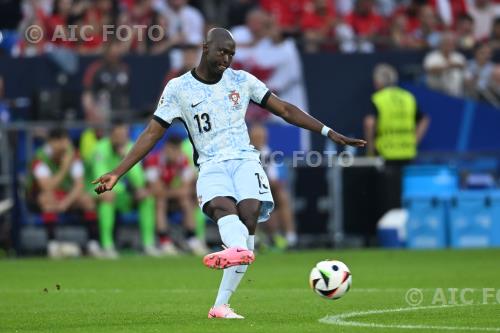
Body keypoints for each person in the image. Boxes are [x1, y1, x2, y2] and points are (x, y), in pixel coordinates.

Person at [92, 28, 365, 318]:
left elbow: (284, 109)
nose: (227, 58)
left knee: (248, 216)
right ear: (205, 47)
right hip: (210, 164)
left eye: (232, 54)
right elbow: (152, 133)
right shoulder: (178, 88)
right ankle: (233, 257)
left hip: (244, 159)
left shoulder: (242, 80)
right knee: (223, 210)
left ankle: (221, 303)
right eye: (222, 51)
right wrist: (118, 172)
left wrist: (328, 131)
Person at [364, 63, 430, 211]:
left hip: (387, 155)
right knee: (407, 197)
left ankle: (391, 232)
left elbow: (369, 124)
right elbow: (424, 119)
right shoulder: (408, 97)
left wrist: (370, 149)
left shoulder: (378, 98)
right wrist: (414, 140)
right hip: (407, 153)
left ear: (378, 82)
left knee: (389, 200)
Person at [27, 128, 100, 258]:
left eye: (66, 141)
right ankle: (52, 245)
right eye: (61, 141)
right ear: (51, 143)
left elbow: (79, 185)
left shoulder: (73, 155)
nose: (65, 145)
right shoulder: (40, 158)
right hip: (39, 196)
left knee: (87, 200)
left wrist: (65, 203)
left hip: (66, 195)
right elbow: (47, 186)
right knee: (47, 199)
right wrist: (64, 167)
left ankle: (93, 244)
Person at [91, 121, 156, 258]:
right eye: (118, 135)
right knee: (107, 199)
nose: (121, 139)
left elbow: (138, 180)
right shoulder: (100, 149)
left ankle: (148, 244)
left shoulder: (131, 148)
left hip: (125, 194)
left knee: (146, 197)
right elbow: (102, 179)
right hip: (102, 192)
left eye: (124, 135)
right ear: (111, 136)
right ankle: (107, 246)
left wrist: (124, 157)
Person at [144, 132, 208, 255]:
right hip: (156, 199)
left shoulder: (183, 160)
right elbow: (156, 190)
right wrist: (175, 191)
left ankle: (192, 239)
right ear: (166, 148)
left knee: (186, 200)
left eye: (177, 149)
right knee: (160, 202)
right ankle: (164, 241)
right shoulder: (153, 160)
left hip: (172, 197)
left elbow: (186, 189)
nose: (176, 153)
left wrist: (170, 191)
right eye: (173, 149)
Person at [249, 124, 298, 250]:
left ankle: (290, 238)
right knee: (253, 199)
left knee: (282, 195)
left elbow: (275, 179)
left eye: (261, 137)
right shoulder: (246, 154)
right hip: (248, 193)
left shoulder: (268, 153)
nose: (259, 140)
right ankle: (256, 240)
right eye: (256, 137)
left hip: (267, 191)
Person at [423, 31, 466, 97]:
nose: (449, 45)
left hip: (456, 96)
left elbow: (464, 70)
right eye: (446, 43)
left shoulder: (459, 57)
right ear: (440, 44)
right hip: (436, 94)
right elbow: (430, 70)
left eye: (451, 43)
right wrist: (448, 66)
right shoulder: (432, 57)